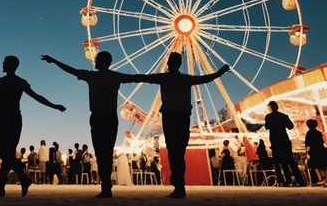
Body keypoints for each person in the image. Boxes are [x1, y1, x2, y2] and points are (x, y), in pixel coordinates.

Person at [42, 50, 148, 197]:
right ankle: (106, 186)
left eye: (97, 59)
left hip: (97, 117)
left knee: (100, 151)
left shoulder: (91, 76)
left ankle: (105, 186)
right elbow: (137, 77)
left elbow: (72, 71)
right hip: (110, 117)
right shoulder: (115, 76)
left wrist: (55, 61)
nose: (95, 61)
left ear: (103, 61)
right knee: (107, 151)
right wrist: (161, 78)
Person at [0, 55, 65, 198]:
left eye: (5, 62)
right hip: (13, 119)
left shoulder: (1, 82)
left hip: (5, 119)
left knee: (6, 153)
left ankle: (9, 184)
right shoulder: (19, 82)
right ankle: (10, 184)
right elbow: (37, 96)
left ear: (10, 65)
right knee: (7, 153)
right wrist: (54, 106)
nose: (2, 64)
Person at [138, 52, 229, 198]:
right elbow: (205, 79)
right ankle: (179, 185)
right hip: (182, 117)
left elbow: (143, 78)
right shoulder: (185, 79)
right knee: (179, 152)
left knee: (174, 152)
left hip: (170, 116)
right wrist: (220, 72)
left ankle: (178, 184)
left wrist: (117, 77)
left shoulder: (164, 78)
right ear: (179, 64)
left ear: (168, 63)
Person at [264, 100, 305, 187]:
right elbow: (290, 126)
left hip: (275, 141)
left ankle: (284, 180)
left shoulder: (268, 117)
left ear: (270, 107)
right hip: (284, 140)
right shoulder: (284, 116)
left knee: (279, 162)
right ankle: (300, 181)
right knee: (290, 161)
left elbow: (267, 127)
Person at [304, 119, 327, 186]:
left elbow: (307, 145)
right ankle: (325, 179)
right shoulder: (319, 133)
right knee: (322, 165)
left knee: (316, 165)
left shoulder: (308, 133)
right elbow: (322, 142)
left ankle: (321, 179)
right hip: (321, 150)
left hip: (313, 151)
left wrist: (307, 153)